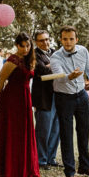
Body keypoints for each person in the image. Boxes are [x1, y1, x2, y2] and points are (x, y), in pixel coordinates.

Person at [50, 26, 89, 177]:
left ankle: (85, 167)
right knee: (66, 135)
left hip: (81, 95)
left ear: (77, 39)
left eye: (71, 39)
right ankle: (69, 172)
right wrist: (69, 76)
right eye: (65, 39)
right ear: (61, 40)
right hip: (63, 97)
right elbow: (59, 76)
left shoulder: (83, 51)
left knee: (84, 132)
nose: (68, 42)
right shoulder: (55, 57)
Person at [0, 33, 41, 177]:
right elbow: (0, 81)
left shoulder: (30, 59)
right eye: (22, 46)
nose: (26, 48)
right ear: (17, 45)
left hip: (25, 98)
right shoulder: (12, 60)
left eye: (28, 45)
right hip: (11, 99)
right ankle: (10, 169)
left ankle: (25, 167)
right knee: (12, 132)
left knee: (24, 132)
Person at [31, 30, 60, 169]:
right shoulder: (33, 55)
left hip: (58, 94)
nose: (45, 42)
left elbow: (64, 67)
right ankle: (41, 160)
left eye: (47, 39)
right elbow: (42, 71)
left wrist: (50, 66)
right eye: (41, 40)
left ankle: (51, 158)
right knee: (44, 129)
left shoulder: (56, 52)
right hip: (43, 97)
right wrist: (54, 67)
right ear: (36, 42)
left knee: (56, 128)